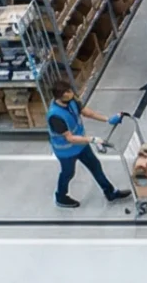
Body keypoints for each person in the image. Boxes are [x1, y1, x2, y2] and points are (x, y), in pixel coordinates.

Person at [45, 79, 127, 209]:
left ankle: (110, 192)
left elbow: (88, 113)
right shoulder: (55, 116)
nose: (71, 93)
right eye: (67, 92)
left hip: (81, 145)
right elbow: (70, 138)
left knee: (95, 166)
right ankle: (61, 196)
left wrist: (108, 119)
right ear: (60, 96)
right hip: (66, 151)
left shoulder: (72, 101)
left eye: (70, 90)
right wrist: (92, 139)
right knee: (68, 173)